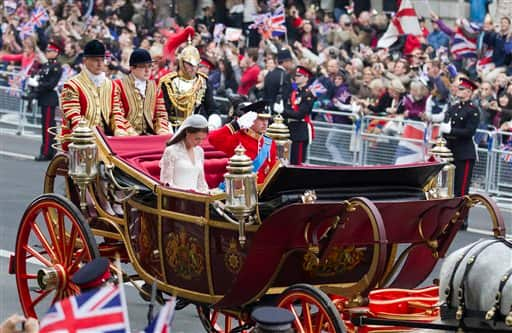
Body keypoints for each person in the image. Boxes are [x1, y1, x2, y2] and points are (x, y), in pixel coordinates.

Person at [60, 39, 135, 137]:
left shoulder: (111, 85)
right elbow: (72, 115)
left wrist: (119, 129)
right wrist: (86, 134)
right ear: (85, 61)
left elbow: (116, 112)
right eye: (96, 60)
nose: (100, 64)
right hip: (80, 139)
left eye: (102, 60)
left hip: (106, 138)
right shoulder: (72, 85)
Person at [208, 101, 277, 184]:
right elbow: (212, 139)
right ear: (251, 119)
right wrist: (236, 125)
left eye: (267, 119)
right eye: (261, 119)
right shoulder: (237, 137)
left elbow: (272, 173)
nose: (265, 123)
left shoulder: (270, 143)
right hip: (239, 191)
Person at [158, 32, 217, 128]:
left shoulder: (203, 82)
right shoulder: (168, 82)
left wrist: (212, 124)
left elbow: (212, 109)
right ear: (182, 62)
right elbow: (162, 111)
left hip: (197, 128)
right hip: (173, 127)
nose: (193, 68)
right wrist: (166, 127)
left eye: (196, 64)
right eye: (189, 64)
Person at [440, 77, 480, 212]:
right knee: (448, 187)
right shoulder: (454, 107)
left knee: (461, 188)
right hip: (451, 151)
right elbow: (446, 122)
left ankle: (461, 218)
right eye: (459, 88)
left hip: (464, 153)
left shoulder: (472, 110)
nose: (459, 90)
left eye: (462, 89)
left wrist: (452, 130)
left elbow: (469, 132)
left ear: (469, 92)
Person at [115, 48, 169, 135]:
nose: (147, 70)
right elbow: (117, 114)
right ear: (132, 68)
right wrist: (128, 131)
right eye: (143, 66)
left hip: (149, 135)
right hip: (126, 136)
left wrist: (161, 129)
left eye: (149, 66)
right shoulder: (119, 85)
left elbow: (161, 114)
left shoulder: (155, 87)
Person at [28, 41, 63, 161]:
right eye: (47, 51)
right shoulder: (47, 65)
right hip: (44, 98)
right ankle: (49, 151)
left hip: (49, 99)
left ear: (56, 52)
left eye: (50, 51)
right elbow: (40, 77)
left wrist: (39, 84)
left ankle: (46, 152)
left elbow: (50, 84)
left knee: (48, 127)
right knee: (46, 127)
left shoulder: (56, 67)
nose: (47, 53)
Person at [159, 114, 209, 193]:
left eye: (202, 139)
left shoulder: (199, 151)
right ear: (187, 133)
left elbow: (201, 182)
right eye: (197, 139)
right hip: (176, 199)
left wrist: (207, 194)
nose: (200, 142)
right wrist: (189, 192)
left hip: (197, 200)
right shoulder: (171, 151)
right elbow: (166, 183)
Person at [283, 65, 315, 165]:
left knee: (297, 161)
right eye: (295, 75)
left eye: (299, 75)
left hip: (300, 130)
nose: (295, 77)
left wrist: (284, 112)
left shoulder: (307, 94)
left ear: (306, 77)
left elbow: (300, 114)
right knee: (288, 160)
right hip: (290, 128)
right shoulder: (295, 92)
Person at [264, 48, 294, 113]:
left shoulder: (269, 74)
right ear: (285, 61)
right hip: (280, 111)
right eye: (291, 61)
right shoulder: (286, 76)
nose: (292, 63)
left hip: (268, 109)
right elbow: (287, 95)